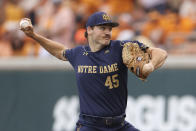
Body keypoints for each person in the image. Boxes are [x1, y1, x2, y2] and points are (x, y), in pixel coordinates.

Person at [20, 12, 167, 131]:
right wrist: (34, 36)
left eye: (110, 29)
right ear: (89, 30)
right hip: (90, 126)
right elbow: (60, 51)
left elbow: (161, 53)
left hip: (119, 125)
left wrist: (151, 65)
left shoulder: (121, 48)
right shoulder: (78, 53)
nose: (108, 32)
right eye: (102, 28)